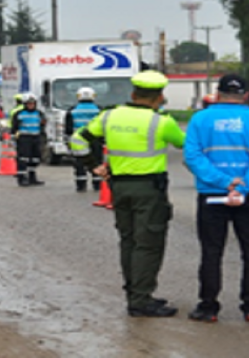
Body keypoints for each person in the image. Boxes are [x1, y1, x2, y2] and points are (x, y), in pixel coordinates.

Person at [72, 70, 186, 317]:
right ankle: (140, 300)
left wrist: (94, 165)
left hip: (119, 188)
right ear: (159, 97)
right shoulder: (162, 122)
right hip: (148, 190)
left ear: (133, 94)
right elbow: (184, 143)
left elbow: (77, 140)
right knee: (149, 244)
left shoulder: (108, 116)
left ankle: (134, 293)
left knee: (129, 241)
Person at [183, 74, 249, 323]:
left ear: (217, 93)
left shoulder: (200, 119)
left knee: (212, 251)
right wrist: (242, 187)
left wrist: (224, 182)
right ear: (245, 95)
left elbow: (193, 156)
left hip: (212, 194)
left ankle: (208, 307)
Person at [65, 87, 103, 192]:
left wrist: (68, 142)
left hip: (78, 140)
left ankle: (81, 185)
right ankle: (97, 184)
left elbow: (68, 129)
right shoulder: (99, 109)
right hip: (95, 139)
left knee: (79, 162)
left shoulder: (72, 110)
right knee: (96, 161)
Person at [11, 93, 46, 187]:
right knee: (23, 159)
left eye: (32, 103)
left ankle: (32, 178)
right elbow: (14, 127)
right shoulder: (19, 114)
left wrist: (42, 137)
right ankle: (21, 178)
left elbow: (42, 125)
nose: (31, 105)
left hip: (36, 138)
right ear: (25, 104)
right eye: (29, 104)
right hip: (24, 138)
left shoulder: (39, 114)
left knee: (35, 158)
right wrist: (14, 137)